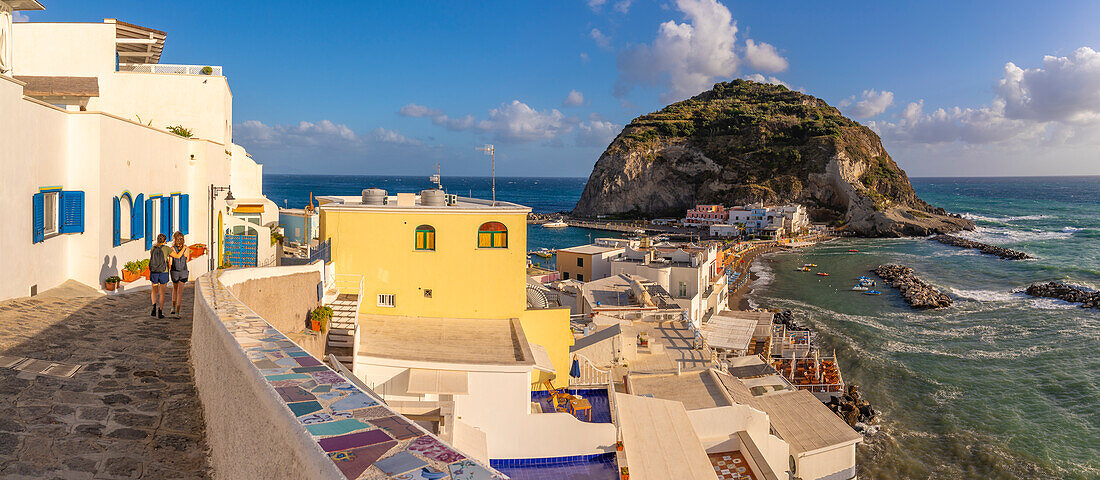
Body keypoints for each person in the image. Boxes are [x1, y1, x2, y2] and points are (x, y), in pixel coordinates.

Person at [149, 233, 172, 318]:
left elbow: (152, 258)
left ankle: (154, 307)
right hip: (163, 272)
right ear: (165, 241)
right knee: (162, 293)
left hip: (154, 272)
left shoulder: (152, 248)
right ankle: (160, 311)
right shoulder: (167, 249)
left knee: (154, 290)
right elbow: (176, 256)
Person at [167, 231, 190, 316]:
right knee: (180, 292)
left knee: (175, 290)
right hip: (183, 271)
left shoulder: (172, 249)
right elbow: (187, 260)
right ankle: (177, 311)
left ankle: (172, 307)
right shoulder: (186, 249)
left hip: (174, 272)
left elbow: (170, 262)